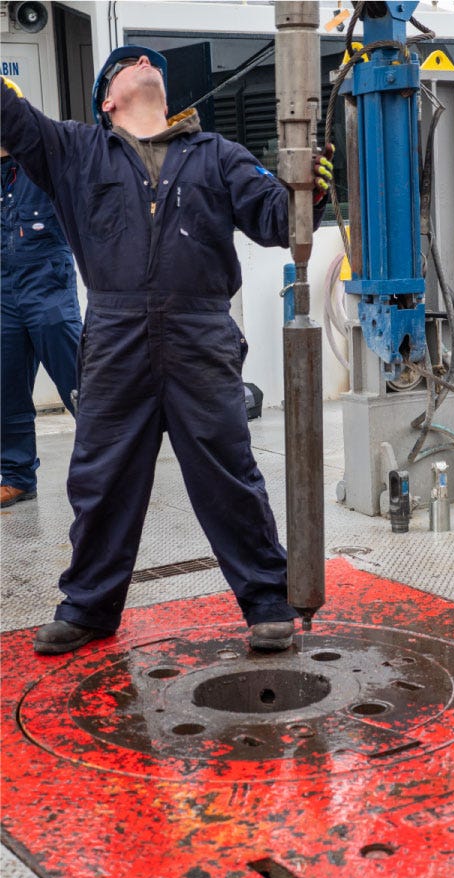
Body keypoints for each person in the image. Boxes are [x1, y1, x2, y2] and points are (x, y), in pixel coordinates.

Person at [1, 47, 333, 656]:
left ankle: (265, 600)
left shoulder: (219, 156)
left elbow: (273, 221)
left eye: (150, 61)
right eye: (128, 63)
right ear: (108, 99)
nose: (143, 62)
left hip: (200, 332)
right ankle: (89, 608)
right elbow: (11, 117)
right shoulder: (75, 151)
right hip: (115, 334)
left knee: (227, 471)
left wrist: (305, 190)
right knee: (102, 477)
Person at [1, 82, 82, 509]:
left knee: (80, 382)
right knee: (6, 387)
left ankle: (115, 465)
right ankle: (16, 476)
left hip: (47, 286)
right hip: (2, 294)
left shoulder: (45, 163)